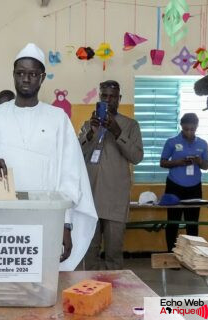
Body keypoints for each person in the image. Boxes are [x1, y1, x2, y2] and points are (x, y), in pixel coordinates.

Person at [0, 43, 97, 271]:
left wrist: (66, 224)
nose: (26, 79)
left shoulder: (58, 119)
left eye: (33, 74)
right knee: (5, 282)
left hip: (46, 221)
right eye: (21, 73)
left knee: (42, 284)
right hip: (1, 224)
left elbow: (70, 175)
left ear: (42, 77)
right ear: (13, 75)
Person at [79, 80, 143, 270]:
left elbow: (137, 156)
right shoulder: (88, 125)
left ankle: (114, 296)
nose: (108, 100)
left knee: (113, 255)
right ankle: (89, 294)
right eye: (104, 96)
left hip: (115, 199)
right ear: (99, 98)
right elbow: (77, 154)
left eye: (112, 97)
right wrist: (90, 133)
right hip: (91, 198)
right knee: (89, 253)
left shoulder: (130, 125)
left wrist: (117, 131)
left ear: (119, 99)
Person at [160, 113, 208, 252]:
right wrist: (179, 162)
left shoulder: (203, 143)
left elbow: (206, 166)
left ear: (197, 127)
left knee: (192, 224)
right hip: (174, 186)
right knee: (173, 222)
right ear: (181, 126)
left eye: (192, 129)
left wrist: (199, 161)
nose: (189, 132)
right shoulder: (172, 142)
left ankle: (191, 256)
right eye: (186, 129)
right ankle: (172, 255)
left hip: (194, 188)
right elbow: (163, 163)